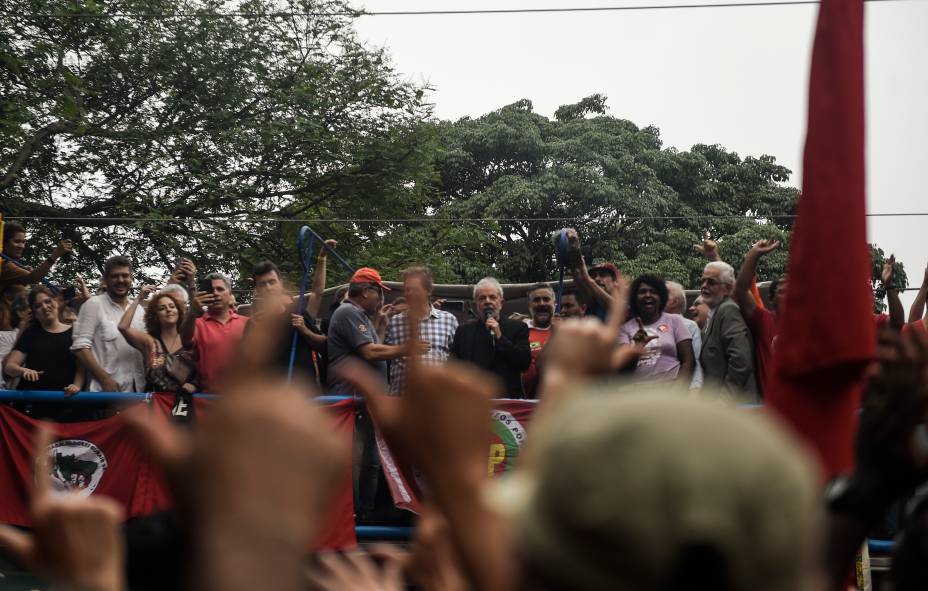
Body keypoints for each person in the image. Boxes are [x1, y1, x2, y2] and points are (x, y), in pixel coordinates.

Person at [326, 267, 428, 520]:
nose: (381, 299)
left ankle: (365, 514)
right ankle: (348, 516)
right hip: (353, 401)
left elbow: (373, 346)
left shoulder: (360, 315)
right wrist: (408, 348)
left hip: (368, 403)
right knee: (355, 461)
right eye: (378, 293)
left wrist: (380, 326)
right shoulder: (348, 311)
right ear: (366, 291)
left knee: (371, 462)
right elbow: (370, 352)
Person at [3, 286, 87, 421]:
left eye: (48, 301)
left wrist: (76, 385)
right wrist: (23, 371)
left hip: (66, 405)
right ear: (34, 313)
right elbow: (9, 367)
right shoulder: (30, 334)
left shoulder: (75, 332)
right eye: (38, 305)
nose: (45, 307)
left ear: (56, 302)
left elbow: (81, 366)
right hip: (33, 407)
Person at [71, 255, 146, 393]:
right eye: (115, 276)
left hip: (137, 393)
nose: (121, 280)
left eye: (125, 275)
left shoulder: (139, 310)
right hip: (104, 395)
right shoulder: (93, 304)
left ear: (132, 278)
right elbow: (80, 347)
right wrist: (104, 379)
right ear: (105, 279)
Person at [450, 277, 531, 398]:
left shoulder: (518, 327)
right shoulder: (463, 331)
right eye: (482, 298)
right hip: (474, 400)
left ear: (501, 303)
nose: (487, 301)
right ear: (475, 304)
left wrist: (499, 337)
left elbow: (524, 363)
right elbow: (454, 367)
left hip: (508, 402)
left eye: (492, 297)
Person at [249, 260, 326, 386]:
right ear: (257, 289)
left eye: (272, 282)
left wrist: (305, 331)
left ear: (281, 283)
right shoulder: (254, 324)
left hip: (305, 394)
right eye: (262, 284)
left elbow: (324, 345)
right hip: (274, 395)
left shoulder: (297, 313)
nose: (268, 288)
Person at [385, 266, 458, 395]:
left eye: (415, 290)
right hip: (401, 402)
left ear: (428, 291)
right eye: (407, 290)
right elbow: (381, 356)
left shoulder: (449, 320)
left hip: (437, 402)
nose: (409, 294)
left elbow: (457, 361)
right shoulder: (393, 322)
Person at [118, 285, 196, 394]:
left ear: (179, 311)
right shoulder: (150, 342)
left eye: (172, 306)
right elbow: (123, 327)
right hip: (155, 406)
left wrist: (194, 385)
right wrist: (139, 298)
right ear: (155, 315)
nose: (168, 310)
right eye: (162, 308)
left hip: (185, 406)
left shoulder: (190, 339)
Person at [618, 274, 695, 384]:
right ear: (634, 299)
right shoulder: (625, 329)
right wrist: (636, 348)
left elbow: (688, 361)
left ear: (661, 297)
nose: (648, 295)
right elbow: (623, 372)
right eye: (642, 292)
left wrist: (678, 392)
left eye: (653, 292)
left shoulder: (675, 321)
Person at [733, 239, 785, 396]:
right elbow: (741, 289)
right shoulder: (764, 321)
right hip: (770, 409)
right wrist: (755, 255)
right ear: (771, 299)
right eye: (782, 291)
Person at [180, 272, 248, 393]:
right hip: (207, 400)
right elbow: (185, 341)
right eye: (212, 290)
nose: (215, 293)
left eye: (220, 289)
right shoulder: (197, 323)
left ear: (230, 294)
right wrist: (192, 312)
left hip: (241, 399)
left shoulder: (247, 323)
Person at [699, 261, 757, 398]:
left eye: (711, 282)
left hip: (737, 406)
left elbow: (741, 361)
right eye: (703, 281)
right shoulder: (714, 312)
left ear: (727, 288)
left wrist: (724, 402)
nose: (704, 286)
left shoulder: (728, 310)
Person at [0, 222, 73, 290]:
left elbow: (33, 283)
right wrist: (55, 255)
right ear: (4, 242)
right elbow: (33, 278)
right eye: (17, 241)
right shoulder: (3, 265)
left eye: (23, 242)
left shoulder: (12, 264)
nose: (21, 246)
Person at [520, 283, 555, 398]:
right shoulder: (519, 331)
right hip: (526, 404)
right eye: (536, 300)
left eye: (546, 299)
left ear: (554, 304)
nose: (542, 303)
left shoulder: (567, 331)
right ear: (529, 305)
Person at [666, 281, 703, 390]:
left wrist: (695, 388)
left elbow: (696, 360)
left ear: (674, 302)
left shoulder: (689, 326)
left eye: (664, 293)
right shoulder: (651, 324)